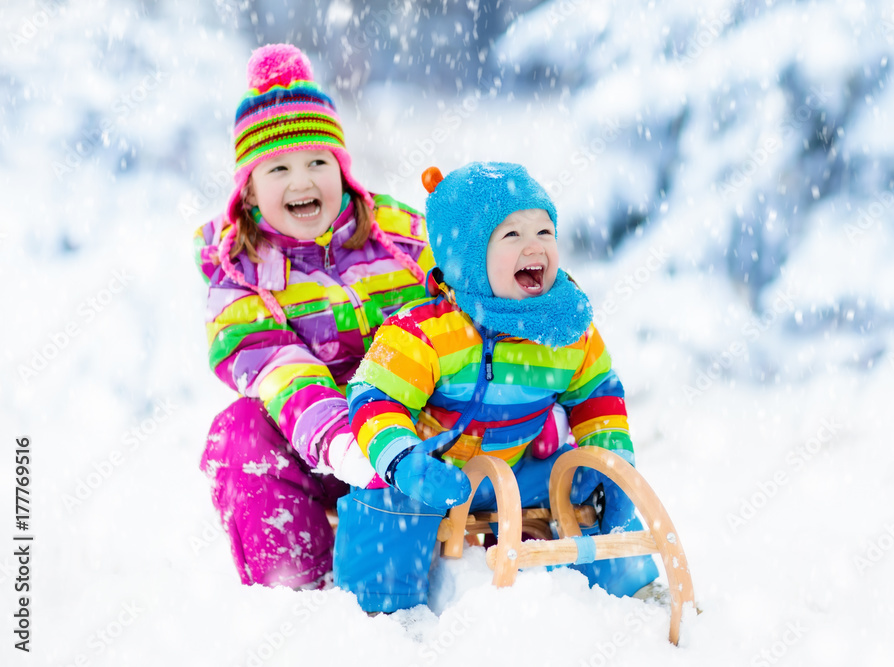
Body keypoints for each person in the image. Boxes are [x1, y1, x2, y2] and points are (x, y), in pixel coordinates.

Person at [334, 161, 660, 613]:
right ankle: (378, 610)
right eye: (512, 235)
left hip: (519, 470)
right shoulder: (423, 331)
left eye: (545, 232)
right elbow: (374, 397)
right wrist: (404, 461)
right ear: (467, 258)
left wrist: (611, 456)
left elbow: (597, 393)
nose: (535, 246)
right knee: (385, 499)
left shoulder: (566, 331)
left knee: (586, 478)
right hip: (435, 475)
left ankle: (633, 592)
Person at [193, 43, 435, 590]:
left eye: (317, 162)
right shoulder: (239, 272)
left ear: (343, 170)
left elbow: (459, 308)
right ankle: (299, 587)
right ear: (250, 190)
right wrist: (348, 446)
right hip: (320, 450)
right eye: (278, 167)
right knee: (237, 434)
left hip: (420, 435)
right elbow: (278, 366)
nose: (302, 182)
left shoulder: (399, 238)